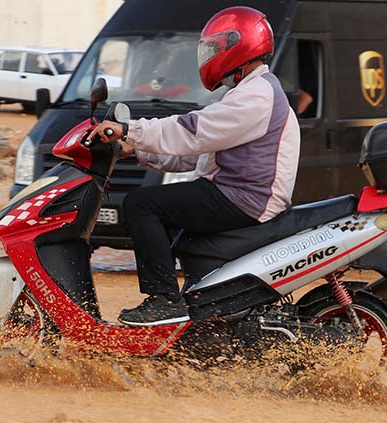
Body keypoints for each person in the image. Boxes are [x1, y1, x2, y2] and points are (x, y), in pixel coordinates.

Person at [89, 6, 301, 326]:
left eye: (215, 48)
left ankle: (163, 300)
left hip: (245, 196)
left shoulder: (256, 95)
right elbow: (195, 154)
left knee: (141, 205)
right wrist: (136, 151)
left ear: (239, 45)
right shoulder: (246, 93)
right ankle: (194, 309)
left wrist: (129, 130)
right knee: (172, 227)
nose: (210, 55)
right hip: (239, 191)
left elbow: (191, 131)